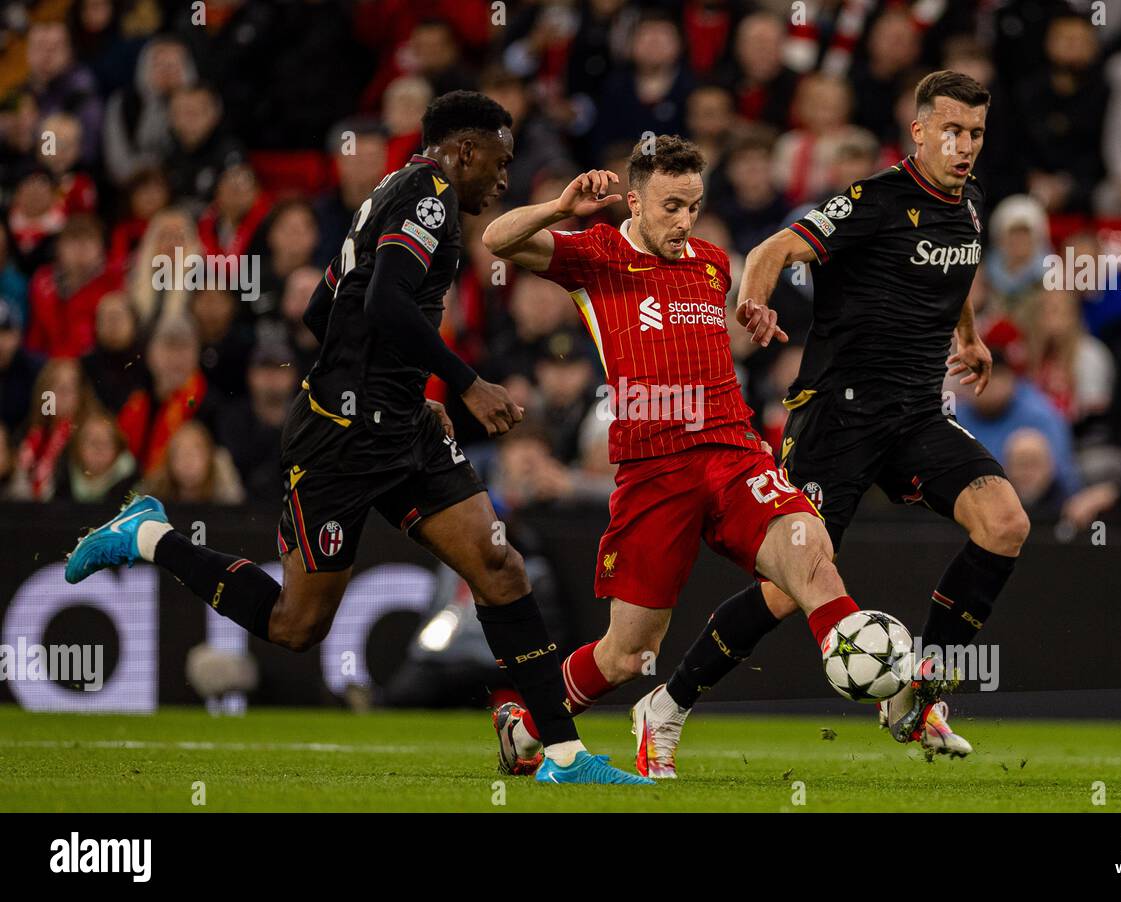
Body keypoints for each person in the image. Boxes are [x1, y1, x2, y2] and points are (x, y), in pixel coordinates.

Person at [64, 90, 647, 787]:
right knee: (295, 625)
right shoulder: (428, 197)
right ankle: (150, 536)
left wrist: (397, 390)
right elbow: (384, 301)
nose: (503, 177)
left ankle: (558, 755)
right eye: (499, 160)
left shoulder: (391, 192)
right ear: (464, 150)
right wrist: (464, 384)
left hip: (399, 426)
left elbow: (323, 307)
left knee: (501, 570)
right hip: (341, 441)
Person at [483, 134, 932, 779]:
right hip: (652, 467)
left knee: (809, 550)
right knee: (626, 652)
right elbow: (497, 240)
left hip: (731, 451)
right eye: (670, 206)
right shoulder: (597, 255)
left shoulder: (712, 263)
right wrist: (560, 206)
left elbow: (710, 334)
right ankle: (527, 725)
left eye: (693, 205)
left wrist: (752, 317)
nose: (684, 220)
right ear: (633, 203)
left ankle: (881, 685)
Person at [632, 71, 1031, 776]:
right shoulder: (873, 201)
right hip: (835, 420)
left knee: (1005, 524)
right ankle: (667, 705)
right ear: (919, 132)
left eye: (974, 133)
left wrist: (967, 337)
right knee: (791, 588)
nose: (963, 145)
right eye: (951, 131)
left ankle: (920, 695)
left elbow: (955, 272)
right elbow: (771, 251)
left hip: (913, 413)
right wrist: (753, 304)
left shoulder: (968, 206)